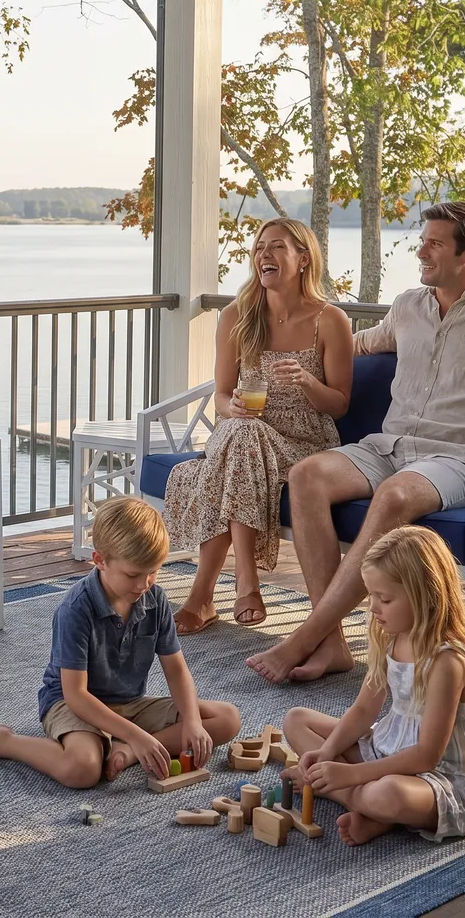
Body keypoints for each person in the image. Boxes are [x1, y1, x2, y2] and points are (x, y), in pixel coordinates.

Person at [249, 201, 465, 684]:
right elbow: (358, 344)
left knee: (395, 494)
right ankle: (332, 645)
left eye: (434, 244)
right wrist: (276, 348)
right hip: (390, 447)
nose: (420, 250)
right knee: (307, 474)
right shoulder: (408, 307)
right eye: (423, 241)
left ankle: (305, 635)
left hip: (462, 461)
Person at [0, 497, 240, 787]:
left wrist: (191, 721)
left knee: (226, 718)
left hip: (130, 703)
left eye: (153, 572)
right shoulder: (76, 609)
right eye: (133, 574)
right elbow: (76, 696)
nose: (143, 584)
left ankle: (131, 749)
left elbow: (176, 670)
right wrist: (137, 733)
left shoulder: (155, 599)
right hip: (74, 705)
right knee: (81, 770)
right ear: (99, 561)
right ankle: (2, 741)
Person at [164, 218, 352, 632]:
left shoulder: (331, 320)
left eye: (276, 247)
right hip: (246, 434)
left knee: (213, 466)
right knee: (242, 437)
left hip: (305, 442)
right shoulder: (236, 315)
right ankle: (244, 582)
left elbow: (338, 405)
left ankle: (206, 595)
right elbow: (221, 396)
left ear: (303, 259)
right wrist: (234, 410)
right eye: (259, 247)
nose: (263, 254)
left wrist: (307, 381)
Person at [282, 526, 465, 846]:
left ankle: (368, 807)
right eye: (371, 595)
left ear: (424, 594)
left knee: (387, 794)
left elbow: (427, 756)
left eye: (384, 598)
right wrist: (326, 755)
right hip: (389, 749)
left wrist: (349, 774)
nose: (373, 607)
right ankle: (366, 807)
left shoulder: (447, 661)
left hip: (444, 778)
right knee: (297, 720)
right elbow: (362, 710)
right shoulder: (391, 637)